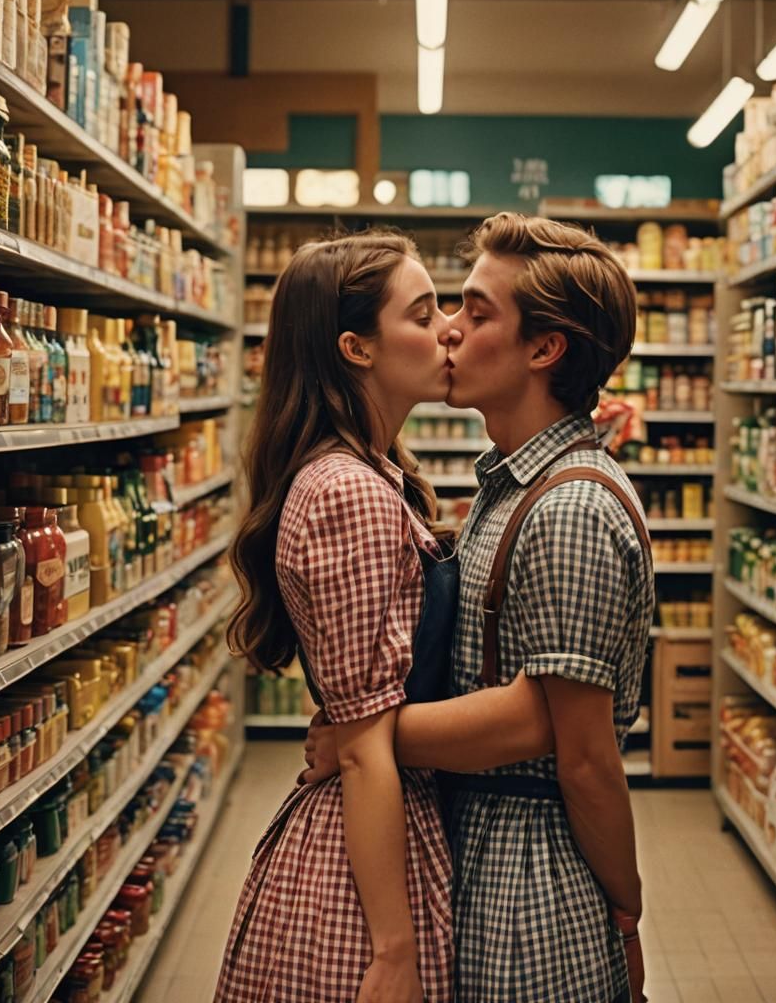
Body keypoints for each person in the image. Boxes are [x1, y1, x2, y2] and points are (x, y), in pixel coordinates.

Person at [304, 212, 653, 1003]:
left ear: (544, 348)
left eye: (475, 311)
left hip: (530, 895)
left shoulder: (568, 509)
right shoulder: (508, 487)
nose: (449, 332)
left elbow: (580, 751)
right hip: (474, 851)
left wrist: (626, 907)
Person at [214, 229, 555, 1003]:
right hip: (366, 865)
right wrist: (393, 951)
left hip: (379, 825)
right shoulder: (349, 493)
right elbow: (367, 751)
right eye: (423, 312)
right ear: (356, 348)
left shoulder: (374, 473)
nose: (448, 331)